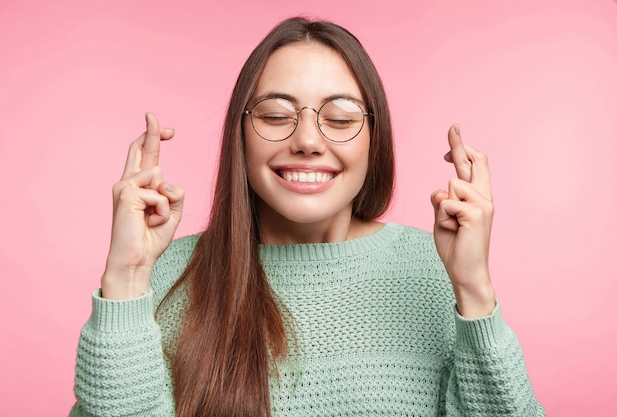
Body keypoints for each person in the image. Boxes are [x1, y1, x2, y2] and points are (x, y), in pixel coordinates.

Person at [70, 17, 545, 417]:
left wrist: (473, 289)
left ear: (373, 140)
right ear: (240, 135)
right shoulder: (166, 276)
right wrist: (128, 278)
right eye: (276, 116)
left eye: (340, 119)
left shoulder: (434, 271)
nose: (309, 141)